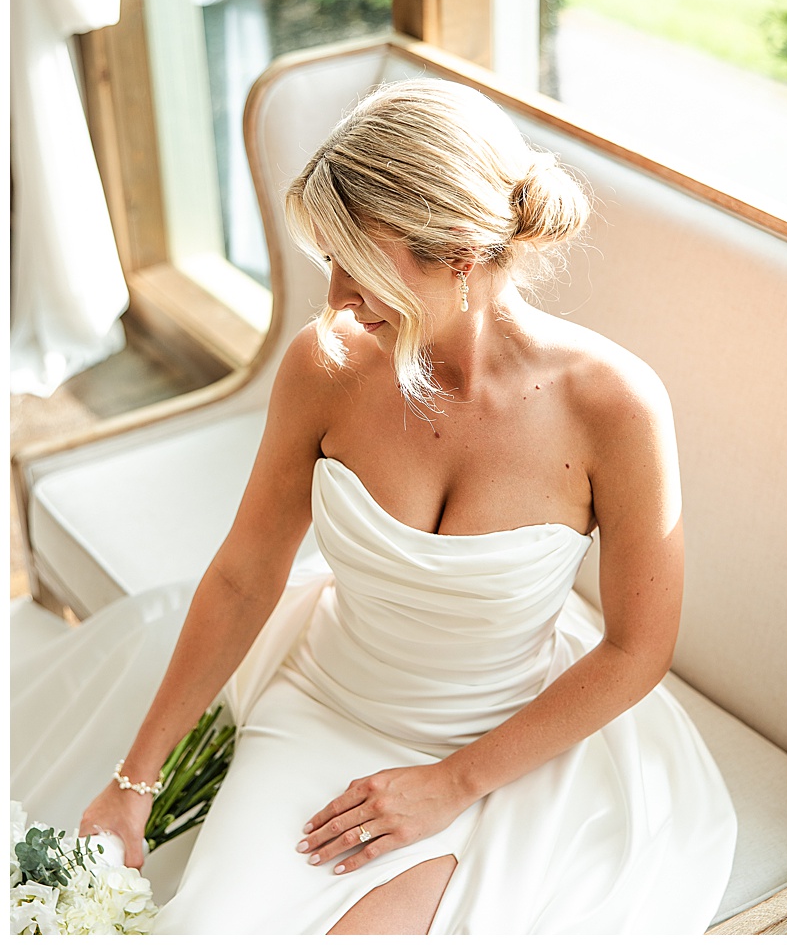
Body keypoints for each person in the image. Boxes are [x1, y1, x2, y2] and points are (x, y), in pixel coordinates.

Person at [68, 79, 737, 933]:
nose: (337, 298)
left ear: (460, 253)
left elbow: (638, 649)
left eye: (361, 263)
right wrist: (136, 782)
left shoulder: (616, 408)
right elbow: (244, 576)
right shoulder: (327, 364)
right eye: (331, 261)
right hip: (325, 709)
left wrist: (450, 784)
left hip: (507, 752)